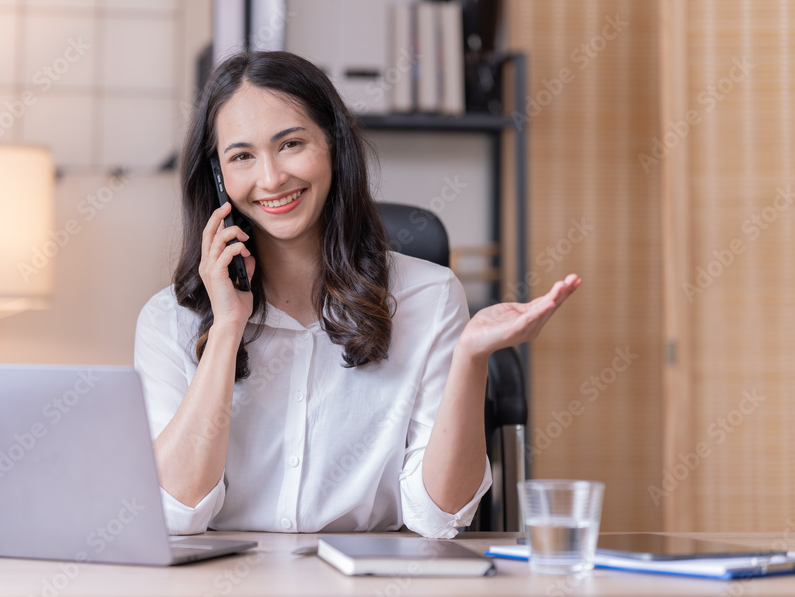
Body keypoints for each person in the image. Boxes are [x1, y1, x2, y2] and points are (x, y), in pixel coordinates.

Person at [134, 51, 579, 539]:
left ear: (334, 146)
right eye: (241, 156)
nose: (271, 178)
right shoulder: (169, 319)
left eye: (291, 144)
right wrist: (226, 328)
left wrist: (472, 356)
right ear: (218, 176)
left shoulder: (429, 298)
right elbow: (177, 512)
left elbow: (437, 518)